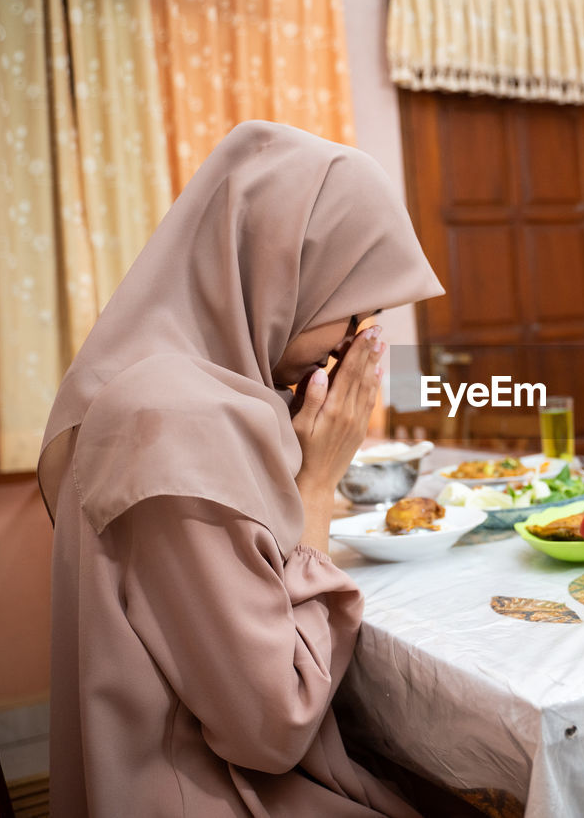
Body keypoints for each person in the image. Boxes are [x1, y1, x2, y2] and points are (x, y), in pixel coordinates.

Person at [37, 121, 445, 817]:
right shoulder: (169, 420)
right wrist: (316, 481)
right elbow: (274, 724)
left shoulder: (160, 384)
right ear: (281, 271)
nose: (360, 345)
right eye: (352, 311)